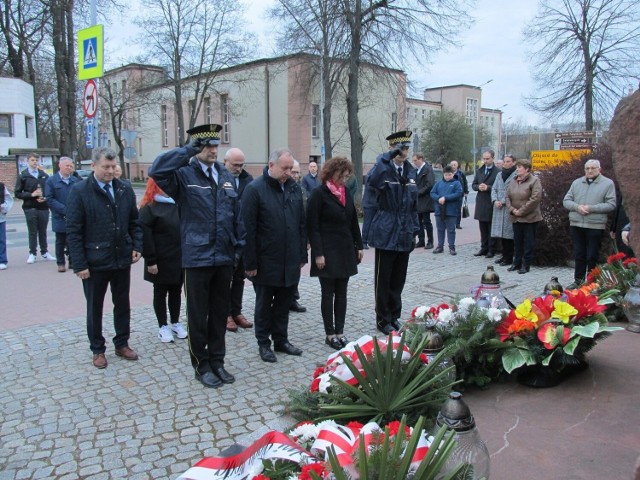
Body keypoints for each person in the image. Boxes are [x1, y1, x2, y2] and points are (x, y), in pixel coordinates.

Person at [149, 124, 245, 388]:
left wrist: (237, 249)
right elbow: (156, 170)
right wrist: (186, 152)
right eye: (207, 145)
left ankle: (217, 361)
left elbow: (236, 215)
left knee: (217, 315)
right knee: (197, 315)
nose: (213, 150)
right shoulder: (183, 175)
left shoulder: (225, 175)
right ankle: (201, 365)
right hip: (197, 257)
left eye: (215, 145)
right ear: (196, 148)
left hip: (223, 257)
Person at [66, 147, 143, 369]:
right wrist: (79, 263)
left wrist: (136, 245)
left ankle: (122, 342)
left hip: (121, 259)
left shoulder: (124, 189)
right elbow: (73, 230)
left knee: (122, 303)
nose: (110, 171)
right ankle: (97, 349)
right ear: (93, 166)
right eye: (105, 167)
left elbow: (134, 222)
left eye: (113, 166)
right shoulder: (80, 191)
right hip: (94, 261)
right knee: (95, 307)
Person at [242, 148, 307, 363]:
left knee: (283, 303)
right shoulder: (255, 189)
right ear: (271, 166)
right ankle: (264, 343)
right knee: (264, 305)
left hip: (289, 260)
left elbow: (300, 223)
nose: (290, 172)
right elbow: (247, 230)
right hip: (265, 260)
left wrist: (301, 255)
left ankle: (281, 340)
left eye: (291, 168)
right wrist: (250, 262)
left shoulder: (294, 189)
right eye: (285, 168)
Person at [307, 156, 363, 350]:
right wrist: (318, 253)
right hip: (327, 253)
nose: (345, 179)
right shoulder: (319, 194)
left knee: (342, 294)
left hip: (346, 250)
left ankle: (340, 331)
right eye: (342, 175)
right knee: (327, 294)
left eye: (347, 176)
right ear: (332, 173)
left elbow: (353, 222)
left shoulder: (346, 192)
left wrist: (360, 245)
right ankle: (330, 334)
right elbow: (312, 226)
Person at [368, 130, 418, 335]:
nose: (403, 152)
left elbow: (413, 206)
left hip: (404, 231)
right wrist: (386, 158)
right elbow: (372, 181)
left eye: (405, 148)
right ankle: (382, 319)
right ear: (391, 149)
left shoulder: (411, 171)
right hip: (386, 231)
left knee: (398, 279)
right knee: (384, 280)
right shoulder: (383, 168)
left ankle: (394, 316)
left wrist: (415, 230)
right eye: (399, 149)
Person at [138, 178, 188, 343]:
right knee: (160, 293)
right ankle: (162, 325)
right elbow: (146, 237)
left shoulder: (177, 204)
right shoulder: (149, 208)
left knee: (176, 291)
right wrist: (151, 260)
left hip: (178, 257)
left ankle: (175, 322)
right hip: (159, 259)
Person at [563, 159, 616, 288]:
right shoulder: (577, 183)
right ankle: (578, 281)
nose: (590, 171)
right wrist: (577, 207)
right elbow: (566, 200)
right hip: (576, 224)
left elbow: (611, 204)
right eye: (587, 168)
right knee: (579, 254)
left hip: (595, 225)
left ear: (599, 169)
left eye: (593, 168)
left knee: (592, 255)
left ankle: (592, 281)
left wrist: (591, 208)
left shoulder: (607, 183)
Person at [223, 148, 254, 332]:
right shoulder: (219, 178)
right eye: (235, 165)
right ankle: (225, 314)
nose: (239, 168)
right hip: (226, 238)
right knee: (225, 279)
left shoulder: (247, 179)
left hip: (243, 236)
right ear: (225, 161)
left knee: (239, 278)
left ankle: (237, 311)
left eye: (242, 165)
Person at [14, 153, 55, 264]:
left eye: (36, 160)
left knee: (43, 231)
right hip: (30, 207)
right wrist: (31, 195)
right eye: (32, 160)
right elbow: (17, 193)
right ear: (28, 161)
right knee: (33, 232)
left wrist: (45, 198)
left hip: (43, 207)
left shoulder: (44, 175)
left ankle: (45, 252)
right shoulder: (23, 176)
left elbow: (49, 191)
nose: (35, 162)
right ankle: (32, 253)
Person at [506, 159, 543, 274]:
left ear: (527, 169)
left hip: (529, 218)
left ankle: (526, 265)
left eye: (520, 167)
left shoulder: (534, 181)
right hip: (515, 217)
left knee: (528, 242)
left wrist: (521, 211)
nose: (517, 169)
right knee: (517, 241)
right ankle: (516, 263)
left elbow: (535, 198)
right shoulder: (513, 180)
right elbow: (507, 196)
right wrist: (512, 210)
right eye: (517, 167)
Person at [45, 157, 80, 272]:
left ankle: (72, 261)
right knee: (60, 240)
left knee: (72, 239)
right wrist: (64, 210)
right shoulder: (51, 181)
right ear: (60, 166)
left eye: (71, 166)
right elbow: (49, 199)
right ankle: (60, 263)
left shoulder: (75, 181)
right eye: (67, 166)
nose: (69, 168)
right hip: (59, 216)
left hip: (73, 216)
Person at [431, 164, 463, 255]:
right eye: (446, 175)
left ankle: (451, 247)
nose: (448, 176)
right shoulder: (438, 183)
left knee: (451, 229)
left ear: (453, 174)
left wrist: (446, 198)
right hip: (439, 210)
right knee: (440, 229)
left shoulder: (456, 183)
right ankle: (440, 246)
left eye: (449, 174)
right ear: (443, 174)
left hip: (451, 210)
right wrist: (438, 198)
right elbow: (432, 193)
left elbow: (458, 193)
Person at [490, 154, 517, 266]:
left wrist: (504, 201)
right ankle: (503, 255)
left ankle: (509, 257)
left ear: (514, 162)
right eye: (505, 161)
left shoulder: (516, 175)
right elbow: (494, 189)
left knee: (508, 234)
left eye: (508, 161)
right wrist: (495, 200)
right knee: (501, 234)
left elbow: (515, 192)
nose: (506, 163)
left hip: (508, 207)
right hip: (498, 208)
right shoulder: (499, 175)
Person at [471, 150, 499, 257]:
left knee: (491, 227)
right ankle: (484, 247)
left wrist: (488, 188)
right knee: (482, 227)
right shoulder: (480, 170)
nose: (485, 161)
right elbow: (474, 185)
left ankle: (491, 249)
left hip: (491, 202)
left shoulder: (497, 172)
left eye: (488, 159)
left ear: (492, 158)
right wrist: (478, 187)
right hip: (481, 202)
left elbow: (499, 187)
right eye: (484, 159)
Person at [289, 159, 307, 313]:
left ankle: (293, 298)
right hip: (284, 237)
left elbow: (305, 216)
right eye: (292, 172)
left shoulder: (300, 190)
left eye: (297, 172)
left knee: (296, 270)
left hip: (298, 237)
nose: (295, 175)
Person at [413, 152, 435, 249]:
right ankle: (421, 240)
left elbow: (429, 184)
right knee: (418, 221)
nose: (414, 162)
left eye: (415, 160)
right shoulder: (416, 170)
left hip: (425, 199)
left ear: (421, 159)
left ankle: (430, 241)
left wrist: (419, 192)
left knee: (426, 221)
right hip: (418, 199)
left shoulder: (427, 169)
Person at [361, 166, 378, 250]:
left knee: (374, 223)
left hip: (374, 203)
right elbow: (372, 187)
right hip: (370, 203)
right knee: (368, 223)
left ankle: (371, 240)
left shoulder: (374, 172)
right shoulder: (372, 174)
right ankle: (364, 241)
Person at [449, 160, 468, 229]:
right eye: (452, 165)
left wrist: (466, 191)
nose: (453, 166)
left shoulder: (461, 173)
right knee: (450, 209)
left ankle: (457, 223)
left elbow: (465, 182)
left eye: (454, 165)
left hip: (459, 194)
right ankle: (451, 223)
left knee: (458, 209)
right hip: (450, 194)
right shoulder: (448, 173)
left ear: (457, 166)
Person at [0, 182, 14, 270]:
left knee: (1, 240)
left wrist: (2, 207)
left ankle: (2, 260)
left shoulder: (1, 186)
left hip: (0, 217)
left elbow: (8, 199)